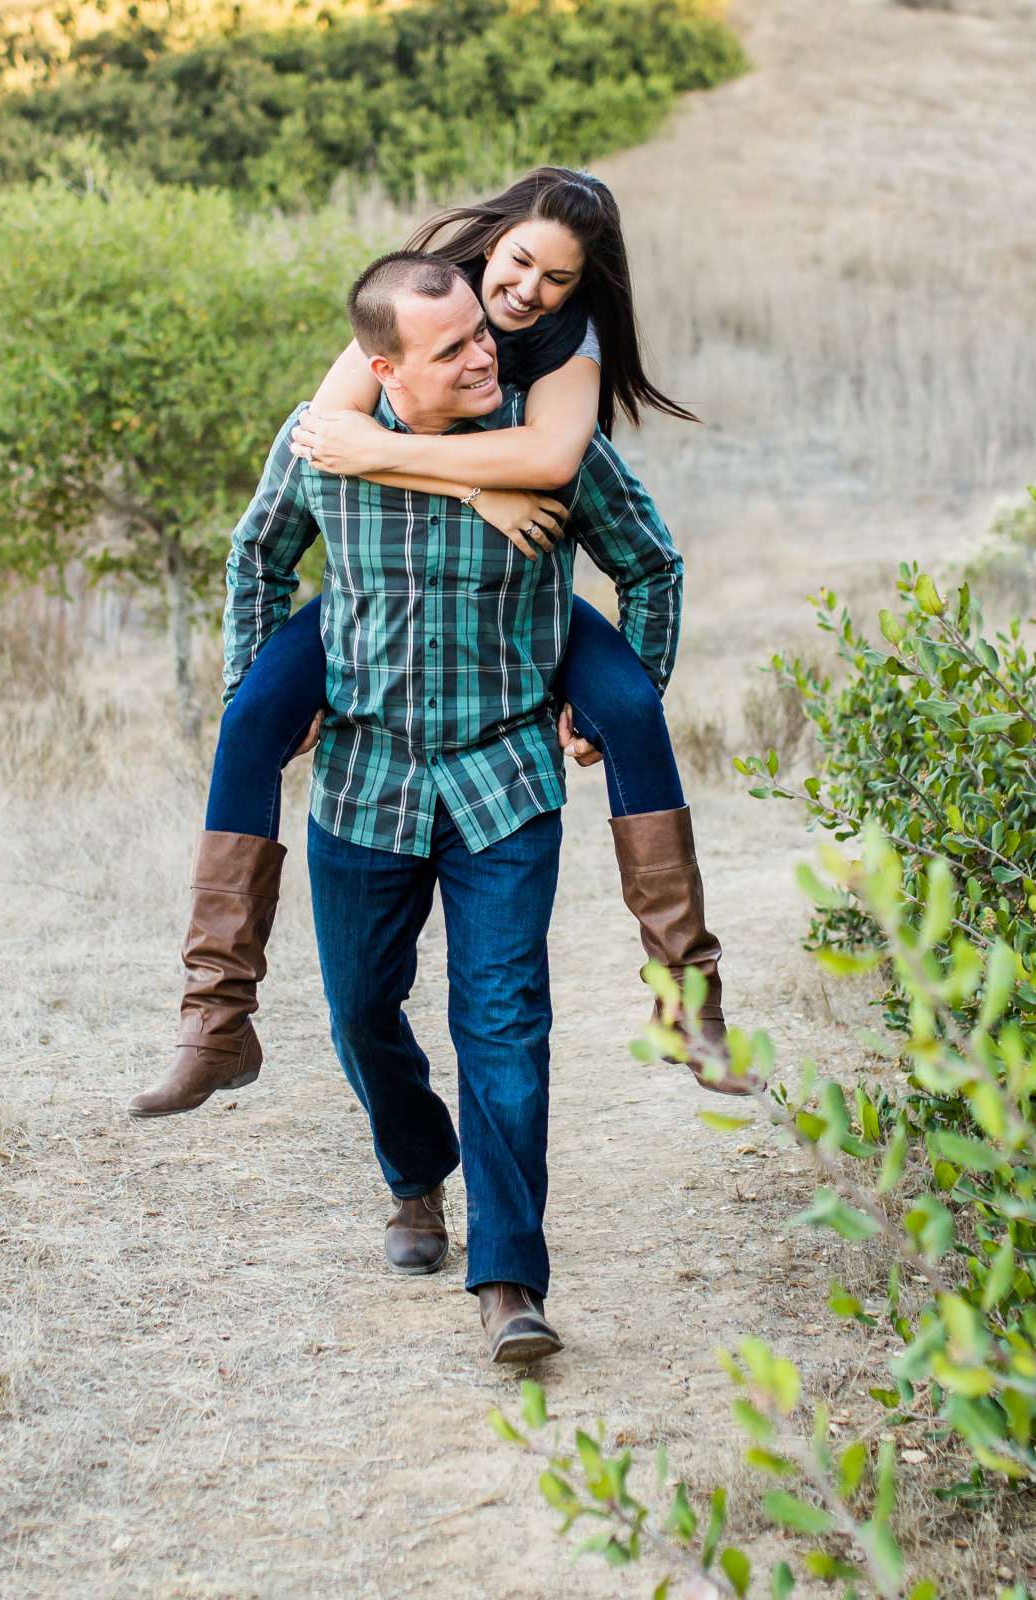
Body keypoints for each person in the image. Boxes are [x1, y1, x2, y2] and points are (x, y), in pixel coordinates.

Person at [129, 167, 746, 1124]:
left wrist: (446, 473)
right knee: (251, 712)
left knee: (627, 706)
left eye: (559, 278)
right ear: (490, 242)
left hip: (515, 597)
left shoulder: (566, 347)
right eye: (520, 260)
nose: (527, 290)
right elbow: (333, 433)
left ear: (582, 289)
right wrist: (469, 487)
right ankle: (215, 1020)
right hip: (376, 593)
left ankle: (688, 1001)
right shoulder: (426, 294)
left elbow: (548, 463)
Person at [212, 251, 683, 1361]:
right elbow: (254, 559)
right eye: (455, 346)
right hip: (365, 783)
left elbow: (651, 565)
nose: (487, 353)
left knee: (506, 1024)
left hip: (503, 780)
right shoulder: (326, 443)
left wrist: (618, 698)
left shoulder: (548, 447)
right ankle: (416, 1174)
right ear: (385, 368)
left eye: (485, 330)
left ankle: (509, 1276)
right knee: (362, 1014)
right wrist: (268, 693)